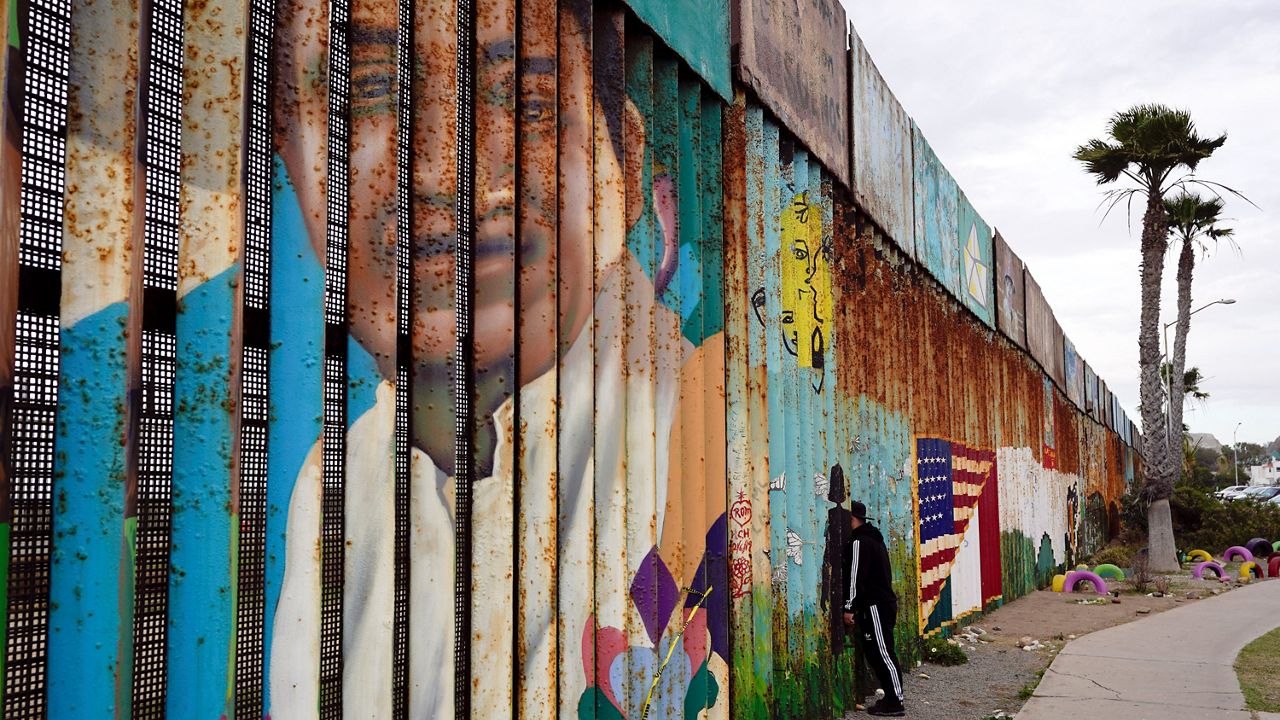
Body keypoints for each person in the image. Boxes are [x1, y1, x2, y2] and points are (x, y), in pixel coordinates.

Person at [267, 1, 727, 718]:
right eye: (371, 93)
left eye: (531, 101)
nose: (447, 167)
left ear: (625, 165)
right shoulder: (336, 486)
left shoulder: (710, 421)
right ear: (287, 152)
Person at [843, 500, 905, 717]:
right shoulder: (875, 539)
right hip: (880, 604)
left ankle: (895, 701)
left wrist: (849, 606)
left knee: (882, 653)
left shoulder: (860, 542)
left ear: (852, 519)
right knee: (878, 651)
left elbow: (855, 577)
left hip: (876, 606)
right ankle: (891, 698)